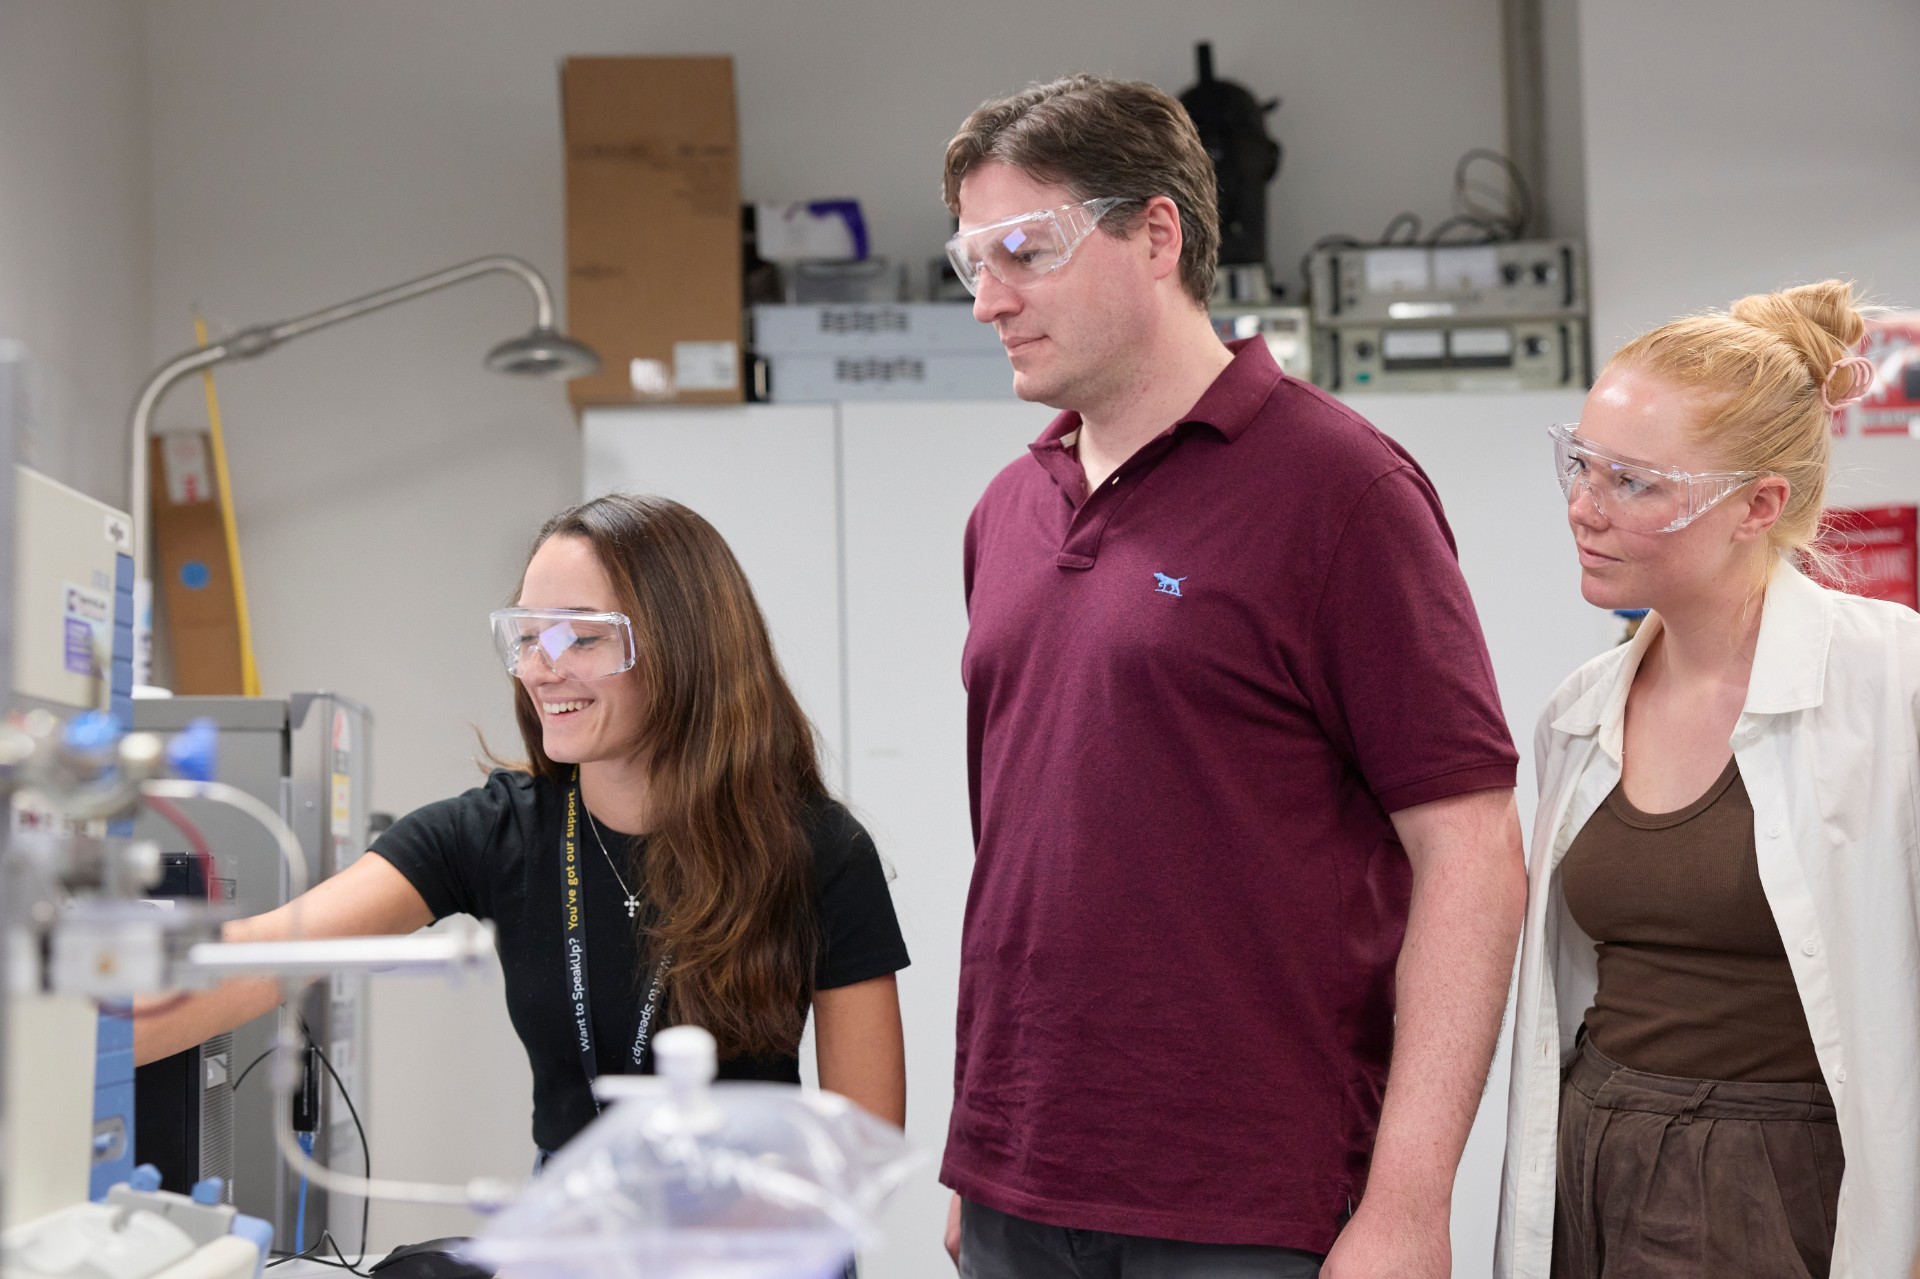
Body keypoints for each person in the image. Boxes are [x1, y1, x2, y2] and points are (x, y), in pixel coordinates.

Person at [938, 75, 1527, 1279]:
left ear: (1157, 235)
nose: (990, 299)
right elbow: (1029, 850)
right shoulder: (1007, 510)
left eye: (1024, 252)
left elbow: (1470, 850)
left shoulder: (1342, 492)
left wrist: (1411, 1202)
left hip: (1248, 1202)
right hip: (1018, 1180)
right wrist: (982, 1144)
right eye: (970, 261)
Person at [136, 493, 910, 1164]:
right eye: (528, 635)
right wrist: (62, 1020)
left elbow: (858, 1141)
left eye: (580, 636)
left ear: (684, 648)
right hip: (576, 1228)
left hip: (759, 1238)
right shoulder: (497, 832)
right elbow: (271, 952)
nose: (540, 668)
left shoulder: (817, 851)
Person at [1495, 280, 1920, 1279]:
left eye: (1634, 484)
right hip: (1600, 1166)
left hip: (1779, 1182)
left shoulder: (1891, 683)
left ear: (1758, 505)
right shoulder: (1581, 709)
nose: (1582, 509)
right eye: (1581, 463)